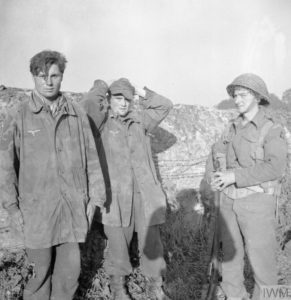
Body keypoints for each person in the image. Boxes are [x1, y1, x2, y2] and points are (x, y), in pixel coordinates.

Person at [0, 50, 106, 300]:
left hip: (72, 210)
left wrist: (95, 199)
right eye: (41, 76)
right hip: (37, 213)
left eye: (54, 75)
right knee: (38, 275)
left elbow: (92, 156)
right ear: (33, 78)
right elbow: (5, 167)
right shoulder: (19, 115)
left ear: (62, 77)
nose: (48, 81)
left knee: (69, 275)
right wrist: (13, 209)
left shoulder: (77, 113)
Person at [81, 78, 173, 299]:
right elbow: (88, 104)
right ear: (110, 99)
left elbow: (165, 105)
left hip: (144, 195)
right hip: (116, 198)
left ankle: (155, 286)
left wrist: (144, 92)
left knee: (151, 241)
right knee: (118, 244)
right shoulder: (101, 122)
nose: (123, 104)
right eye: (118, 98)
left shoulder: (140, 121)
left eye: (128, 99)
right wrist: (102, 87)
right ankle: (118, 288)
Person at [205, 73, 287, 300]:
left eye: (243, 95)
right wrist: (213, 177)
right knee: (230, 257)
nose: (237, 99)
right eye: (235, 95)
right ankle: (234, 296)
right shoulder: (231, 128)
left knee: (264, 264)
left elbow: (275, 168)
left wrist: (234, 175)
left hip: (257, 203)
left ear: (258, 98)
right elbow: (216, 154)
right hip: (229, 201)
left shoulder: (272, 130)